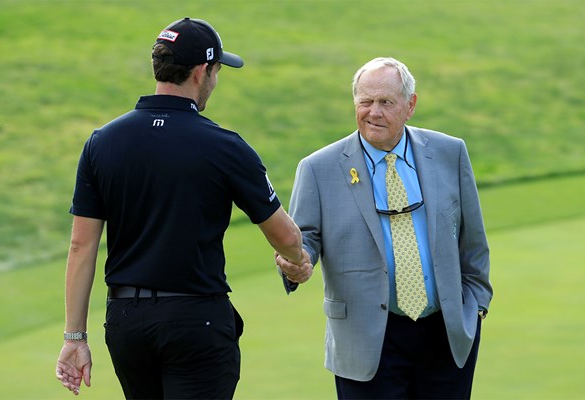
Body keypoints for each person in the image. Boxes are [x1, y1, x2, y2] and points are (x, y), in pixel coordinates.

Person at [55, 17, 312, 399]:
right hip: (196, 320)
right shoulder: (224, 146)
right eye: (217, 70)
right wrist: (299, 261)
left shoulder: (102, 143)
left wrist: (75, 337)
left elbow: (81, 246)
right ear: (201, 71)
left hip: (126, 322)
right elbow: (284, 234)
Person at [276, 57, 493, 399]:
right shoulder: (318, 168)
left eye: (385, 102)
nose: (373, 112)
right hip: (366, 340)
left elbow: (473, 241)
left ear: (411, 105)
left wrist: (476, 305)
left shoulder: (450, 152)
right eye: (365, 101)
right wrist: (296, 263)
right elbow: (304, 241)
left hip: (445, 334)